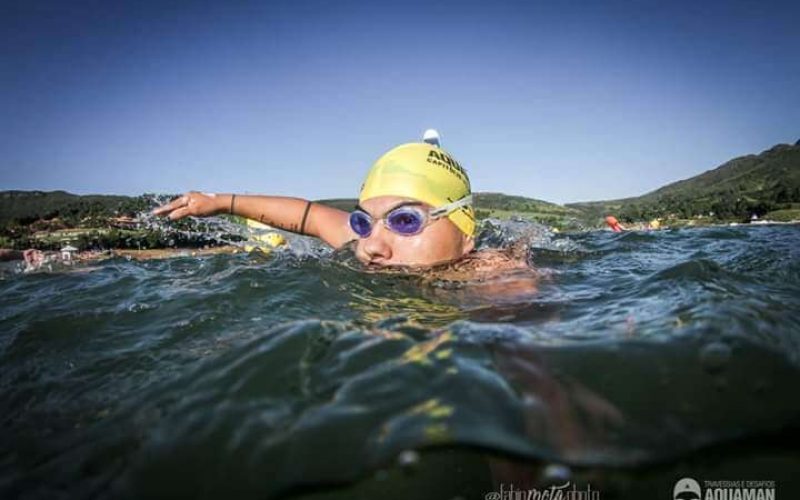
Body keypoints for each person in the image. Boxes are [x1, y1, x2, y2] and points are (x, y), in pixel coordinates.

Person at [154, 132, 529, 273]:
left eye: (405, 221)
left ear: (466, 235)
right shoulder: (363, 246)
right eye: (364, 222)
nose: (371, 247)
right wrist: (219, 201)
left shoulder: (494, 276)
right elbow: (311, 217)